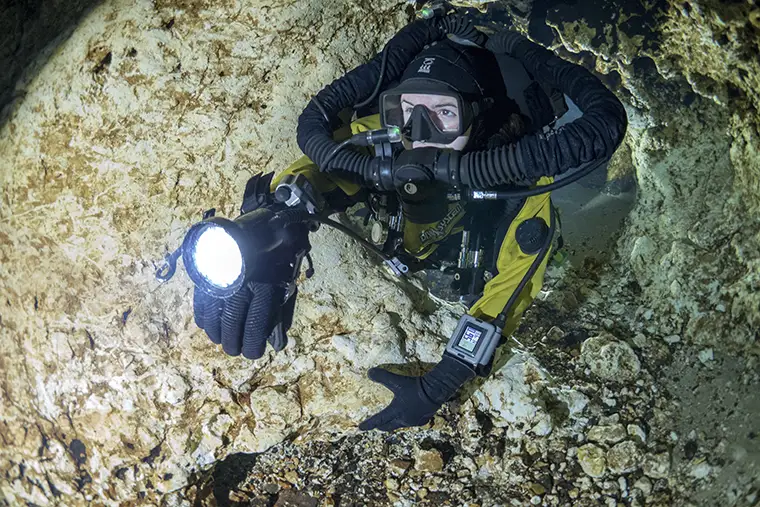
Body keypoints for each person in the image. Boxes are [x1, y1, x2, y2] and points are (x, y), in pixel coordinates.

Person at [191, 18, 627, 432]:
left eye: (443, 114)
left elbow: (512, 287)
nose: (419, 133)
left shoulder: (523, 179)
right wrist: (267, 233)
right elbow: (317, 164)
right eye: (409, 110)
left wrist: (441, 383)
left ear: (478, 116)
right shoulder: (385, 136)